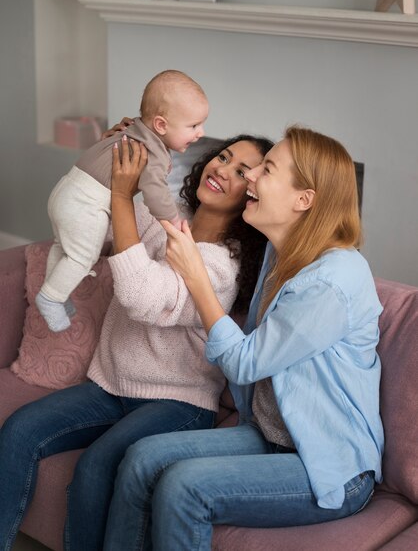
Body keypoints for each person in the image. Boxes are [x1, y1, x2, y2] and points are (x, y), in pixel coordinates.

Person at [102, 125, 384, 551]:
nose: (250, 177)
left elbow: (246, 362)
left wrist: (196, 277)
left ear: (303, 200)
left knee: (183, 487)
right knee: (141, 459)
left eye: (267, 170)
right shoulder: (281, 254)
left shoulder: (333, 281)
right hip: (271, 437)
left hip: (327, 463)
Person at [0, 130, 273, 551]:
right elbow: (90, 223)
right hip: (110, 386)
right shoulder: (163, 217)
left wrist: (125, 199)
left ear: (250, 197)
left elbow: (141, 297)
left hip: (178, 403)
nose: (222, 168)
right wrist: (111, 154)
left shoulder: (222, 267)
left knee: (96, 465)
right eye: (223, 156)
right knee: (18, 431)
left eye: (241, 171)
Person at [36, 69, 209, 332]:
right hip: (86, 204)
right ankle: (51, 297)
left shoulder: (131, 127)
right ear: (161, 125)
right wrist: (172, 220)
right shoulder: (154, 152)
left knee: (64, 247)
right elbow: (155, 191)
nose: (200, 133)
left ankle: (56, 291)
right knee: (83, 257)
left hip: (65, 190)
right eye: (193, 126)